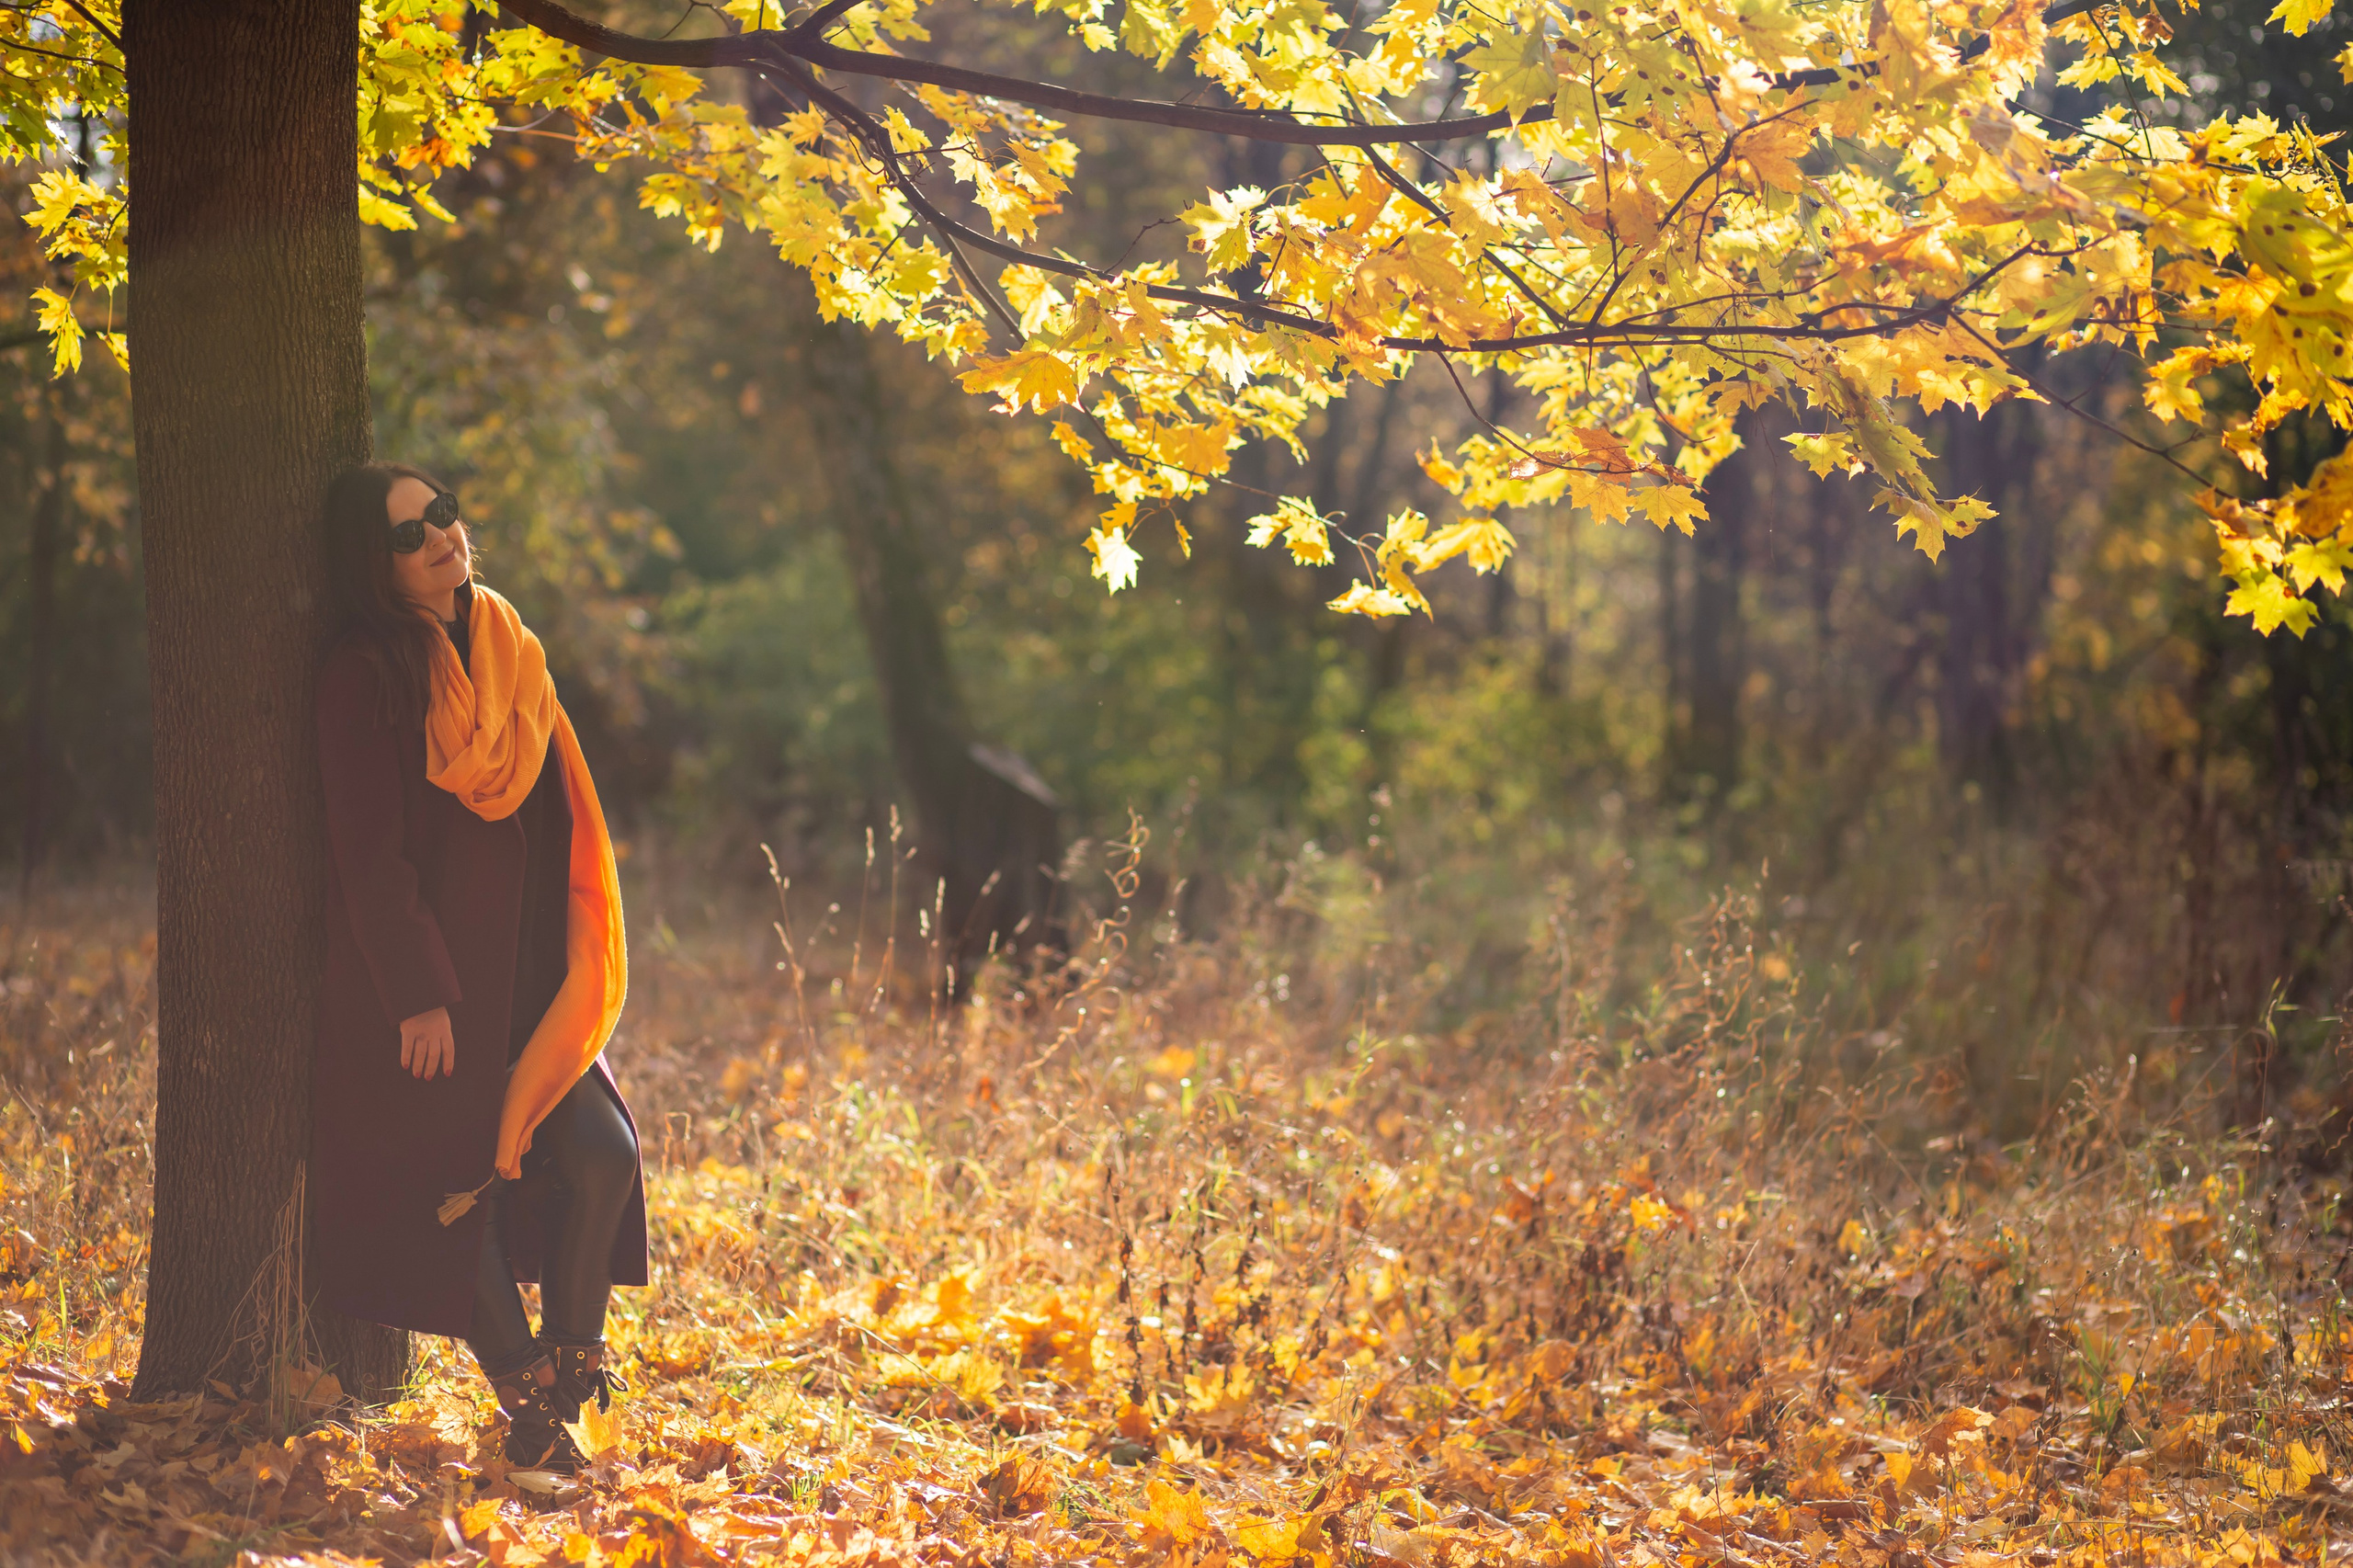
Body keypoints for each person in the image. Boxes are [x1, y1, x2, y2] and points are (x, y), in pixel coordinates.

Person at [310, 462, 646, 1474]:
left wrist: (562, 981)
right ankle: (535, 1405)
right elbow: (369, 857)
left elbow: (551, 826)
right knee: (456, 1199)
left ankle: (571, 1363)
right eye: (411, 534)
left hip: (526, 982)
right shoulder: (363, 674)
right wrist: (418, 992)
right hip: (429, 998)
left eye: (442, 514)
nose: (441, 538)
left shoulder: (511, 646)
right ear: (377, 566)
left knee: (602, 1154)